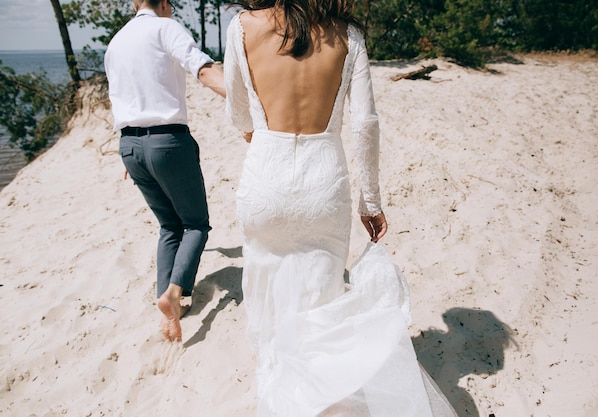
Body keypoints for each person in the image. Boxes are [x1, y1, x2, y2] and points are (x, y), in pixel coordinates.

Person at [224, 0, 459, 415]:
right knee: (320, 298)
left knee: (265, 284)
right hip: (323, 181)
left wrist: (259, 131)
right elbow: (365, 123)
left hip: (265, 174)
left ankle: (280, 394)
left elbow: (237, 112)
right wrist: (372, 201)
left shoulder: (243, 27)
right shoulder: (347, 36)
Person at [104, 0, 226, 342]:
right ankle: (174, 294)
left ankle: (167, 306)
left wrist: (134, 154)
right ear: (165, 3)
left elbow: (120, 98)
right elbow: (201, 68)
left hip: (130, 147)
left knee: (168, 226)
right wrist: (245, 100)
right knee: (195, 224)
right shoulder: (164, 27)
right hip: (167, 143)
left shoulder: (116, 42)